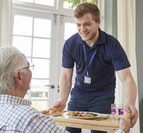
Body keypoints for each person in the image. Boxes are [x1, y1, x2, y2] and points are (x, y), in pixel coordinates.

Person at [53, 2, 138, 133]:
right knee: (70, 130)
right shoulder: (70, 44)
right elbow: (66, 75)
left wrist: (130, 103)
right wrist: (62, 99)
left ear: (98, 22)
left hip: (103, 96)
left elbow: (126, 78)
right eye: (79, 25)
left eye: (87, 24)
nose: (82, 29)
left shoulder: (112, 44)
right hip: (78, 94)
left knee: (99, 131)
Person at [0, 47, 68, 133]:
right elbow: (26, 121)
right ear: (19, 76)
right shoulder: (30, 119)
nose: (31, 71)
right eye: (28, 67)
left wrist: (38, 120)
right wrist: (36, 120)